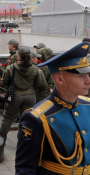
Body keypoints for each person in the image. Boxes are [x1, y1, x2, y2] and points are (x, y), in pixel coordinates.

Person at [15, 42, 90, 174]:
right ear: (59, 79)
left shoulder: (87, 106)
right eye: (80, 76)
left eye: (88, 74)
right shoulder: (37, 118)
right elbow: (25, 169)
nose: (88, 80)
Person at [0, 46, 47, 142]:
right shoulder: (36, 70)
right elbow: (40, 84)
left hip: (14, 97)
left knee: (7, 118)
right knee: (25, 119)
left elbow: (4, 82)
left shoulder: (11, 68)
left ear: (18, 56)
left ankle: (1, 139)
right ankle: (22, 140)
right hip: (30, 97)